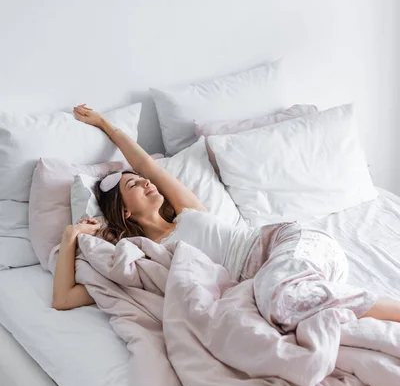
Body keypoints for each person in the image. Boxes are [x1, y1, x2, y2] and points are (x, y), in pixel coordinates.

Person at [52, 104, 400, 328]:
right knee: (286, 316)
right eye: (133, 184)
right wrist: (70, 239)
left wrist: (107, 125)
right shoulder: (143, 260)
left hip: (289, 244)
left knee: (278, 301)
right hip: (286, 280)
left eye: (143, 178)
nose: (145, 180)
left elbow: (146, 164)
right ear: (125, 210)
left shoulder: (186, 212)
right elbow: (64, 299)